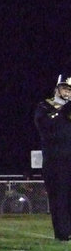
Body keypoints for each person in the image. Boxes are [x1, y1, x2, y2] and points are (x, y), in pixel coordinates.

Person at [34, 76, 71, 241]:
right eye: (65, 88)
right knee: (59, 197)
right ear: (57, 88)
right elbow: (46, 125)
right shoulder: (44, 107)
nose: (67, 92)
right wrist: (63, 110)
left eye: (70, 90)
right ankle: (62, 233)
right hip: (55, 161)